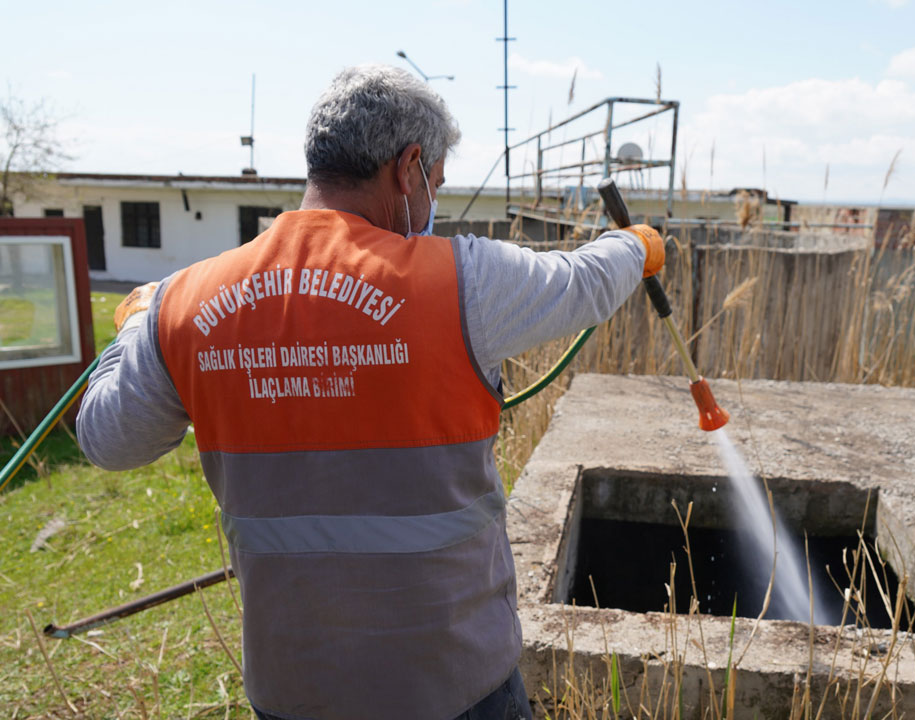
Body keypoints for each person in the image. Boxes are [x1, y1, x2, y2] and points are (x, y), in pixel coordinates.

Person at [76, 64, 664, 720]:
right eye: (434, 182)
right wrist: (635, 247)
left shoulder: (185, 303)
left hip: (295, 692)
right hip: (455, 686)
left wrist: (136, 327)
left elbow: (109, 441)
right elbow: (583, 280)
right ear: (408, 167)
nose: (432, 201)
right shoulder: (464, 281)